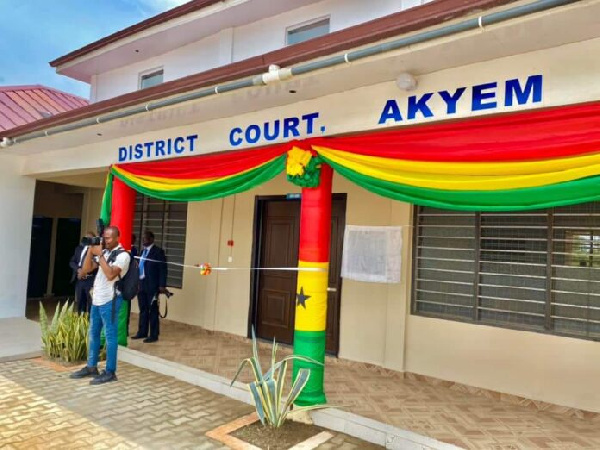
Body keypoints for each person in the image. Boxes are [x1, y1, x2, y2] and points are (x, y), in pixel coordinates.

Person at [70, 226, 130, 385]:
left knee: (110, 337)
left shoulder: (123, 255)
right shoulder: (106, 253)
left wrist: (100, 254)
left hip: (110, 300)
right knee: (93, 333)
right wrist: (90, 251)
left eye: (109, 238)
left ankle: (110, 371)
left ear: (117, 238)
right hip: (96, 299)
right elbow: (85, 271)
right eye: (104, 237)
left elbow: (111, 275)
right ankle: (91, 367)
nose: (106, 240)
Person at [132, 230, 167, 343]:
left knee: (153, 310)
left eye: (146, 238)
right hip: (142, 284)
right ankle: (142, 332)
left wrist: (162, 285)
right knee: (143, 309)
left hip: (152, 285)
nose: (144, 240)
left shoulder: (158, 252)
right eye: (143, 238)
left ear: (152, 239)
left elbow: (163, 269)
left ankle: (153, 335)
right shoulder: (142, 252)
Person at [69, 231, 97, 314]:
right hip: (80, 280)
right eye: (86, 238)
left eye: (89, 238)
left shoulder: (95, 251)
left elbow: (96, 265)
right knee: (80, 303)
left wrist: (84, 271)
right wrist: (78, 269)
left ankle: (89, 323)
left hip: (90, 280)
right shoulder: (79, 249)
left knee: (91, 303)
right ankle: (81, 321)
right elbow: (72, 262)